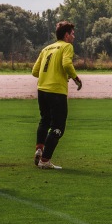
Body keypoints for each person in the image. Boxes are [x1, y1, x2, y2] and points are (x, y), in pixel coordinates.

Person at [31, 21, 83, 169]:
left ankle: (39, 150)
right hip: (56, 92)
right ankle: (45, 160)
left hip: (42, 90)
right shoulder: (67, 47)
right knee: (58, 127)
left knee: (44, 120)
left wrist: (50, 75)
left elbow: (35, 71)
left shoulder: (47, 48)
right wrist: (76, 79)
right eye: (72, 33)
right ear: (66, 35)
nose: (74, 36)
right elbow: (67, 64)